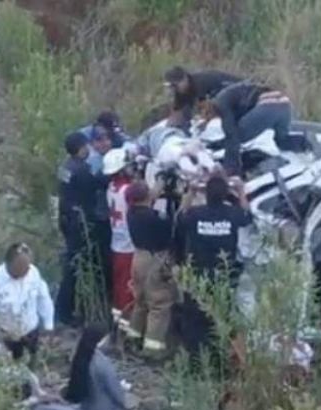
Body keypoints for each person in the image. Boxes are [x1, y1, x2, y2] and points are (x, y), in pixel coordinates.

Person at [174, 175, 252, 371]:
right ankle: (219, 363)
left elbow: (180, 216)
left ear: (205, 194)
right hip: (223, 278)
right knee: (220, 320)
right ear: (226, 195)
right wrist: (241, 190)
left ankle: (195, 364)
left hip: (198, 277)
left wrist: (191, 192)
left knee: (194, 322)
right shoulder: (232, 214)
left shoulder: (195, 214)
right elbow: (247, 216)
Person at [56, 131, 111, 327]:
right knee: (75, 267)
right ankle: (66, 312)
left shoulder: (65, 167)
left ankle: (67, 309)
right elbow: (100, 183)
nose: (88, 149)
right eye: (86, 146)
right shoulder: (82, 170)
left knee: (72, 266)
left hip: (67, 220)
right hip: (81, 224)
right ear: (80, 149)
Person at [204, 81, 309, 175]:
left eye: (207, 115)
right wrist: (220, 144)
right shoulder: (233, 92)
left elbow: (232, 134)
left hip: (268, 104)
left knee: (238, 136)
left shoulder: (220, 104)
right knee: (281, 140)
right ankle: (305, 143)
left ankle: (232, 169)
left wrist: (228, 166)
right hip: (284, 102)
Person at [0, 242, 55, 365]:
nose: (26, 270)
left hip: (30, 334)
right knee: (8, 375)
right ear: (9, 264)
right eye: (21, 267)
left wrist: (48, 325)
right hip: (6, 338)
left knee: (30, 372)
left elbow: (43, 299)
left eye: (27, 266)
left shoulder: (33, 273)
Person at [125, 181, 177, 356]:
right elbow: (171, 230)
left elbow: (146, 208)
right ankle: (152, 349)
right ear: (146, 196)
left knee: (141, 301)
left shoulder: (131, 213)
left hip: (138, 258)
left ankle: (132, 338)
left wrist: (154, 193)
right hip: (154, 260)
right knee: (159, 303)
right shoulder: (155, 217)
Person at [103, 147, 136, 322]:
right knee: (128, 289)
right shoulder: (128, 190)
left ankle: (118, 321)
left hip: (117, 244)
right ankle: (125, 324)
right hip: (129, 246)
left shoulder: (111, 188)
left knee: (119, 287)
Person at [164, 66, 243, 128]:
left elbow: (207, 109)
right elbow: (177, 111)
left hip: (237, 90)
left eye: (175, 85)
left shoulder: (200, 84)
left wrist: (205, 121)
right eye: (171, 87)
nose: (174, 89)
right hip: (221, 96)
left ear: (185, 79)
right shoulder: (180, 91)